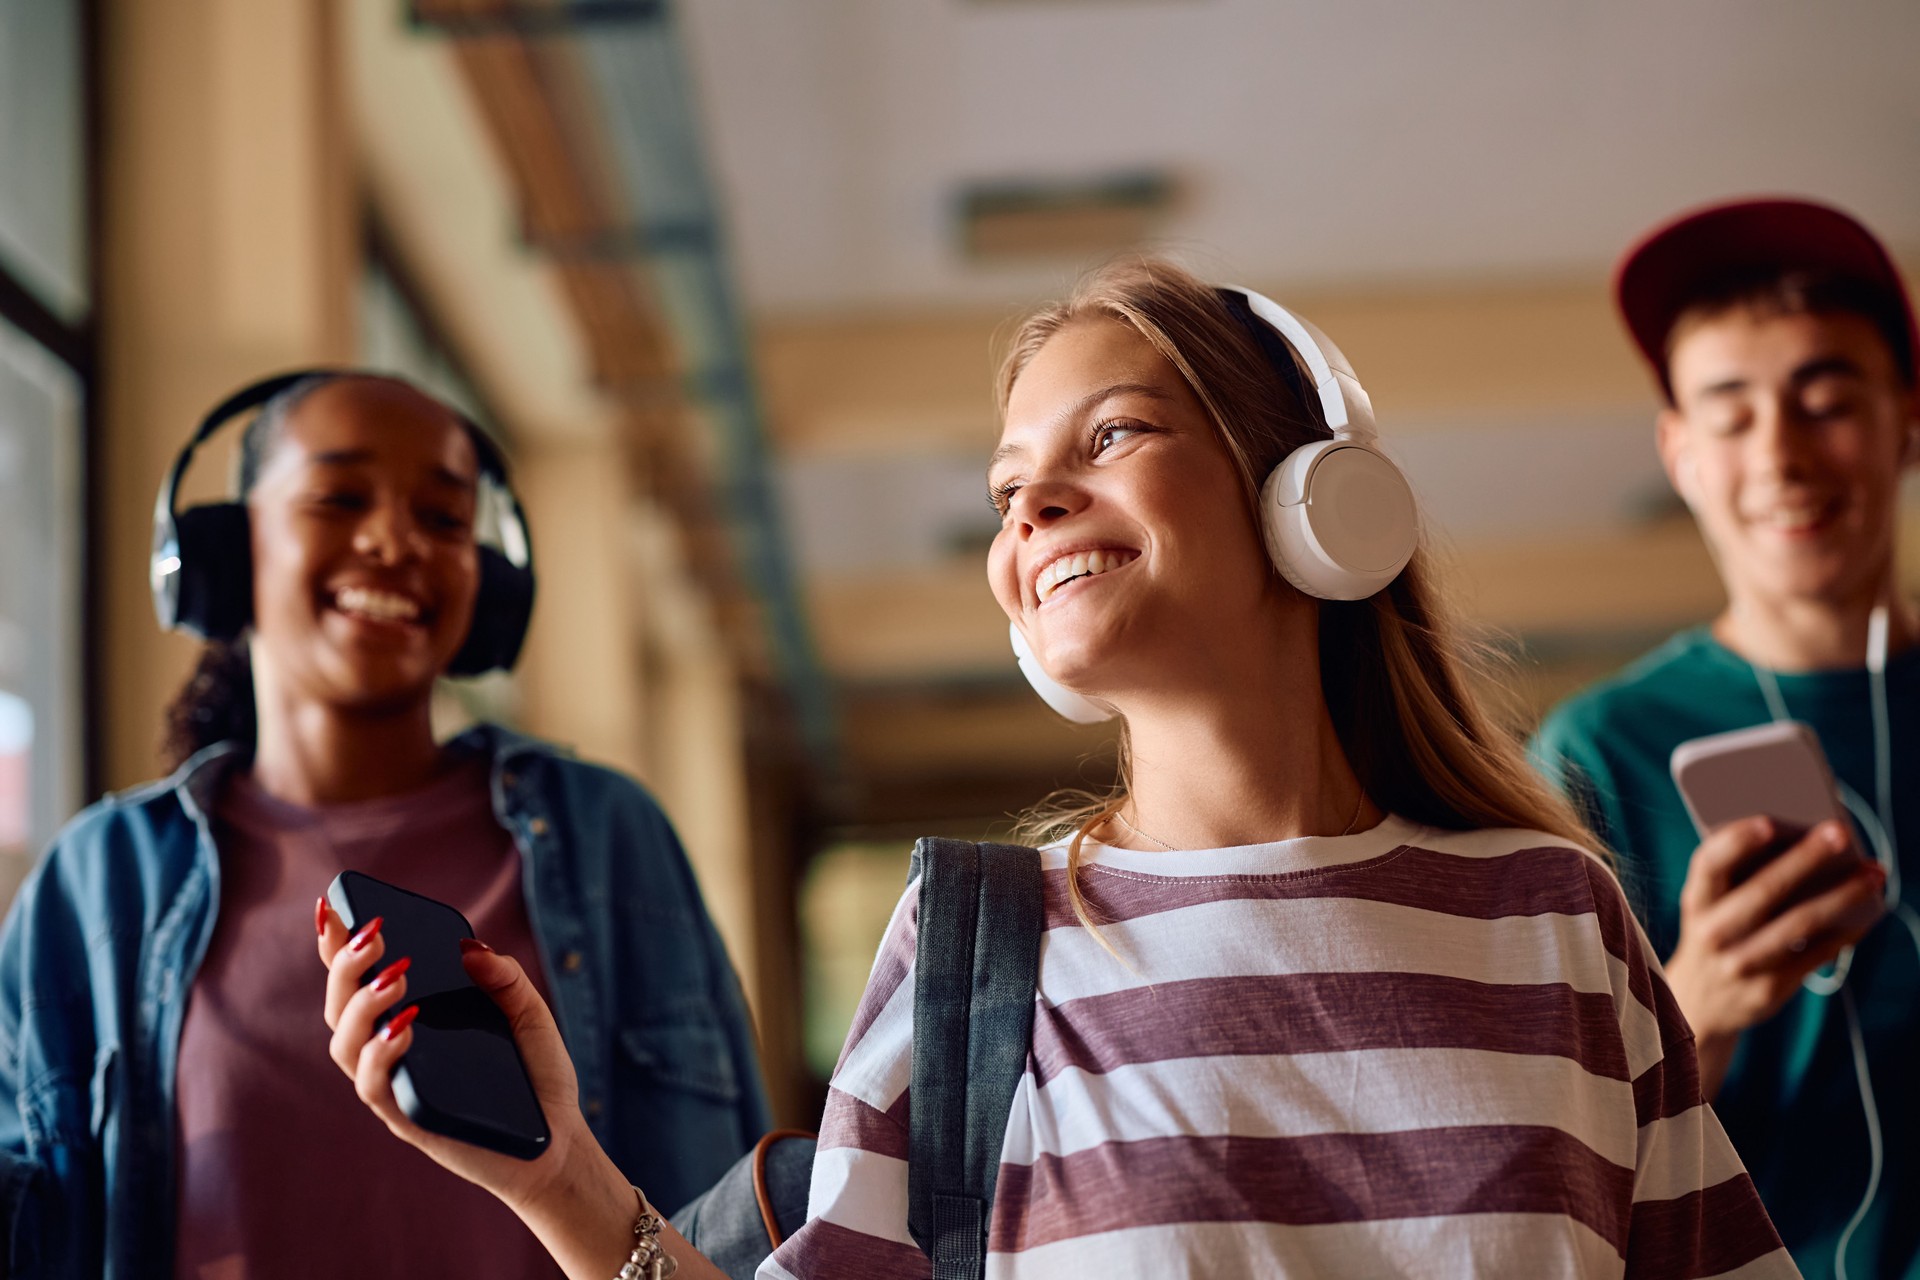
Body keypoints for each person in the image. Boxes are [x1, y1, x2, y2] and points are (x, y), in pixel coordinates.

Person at [323, 261, 1794, 1278]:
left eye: (1111, 435)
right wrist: (557, 1176)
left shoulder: (1554, 921)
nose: (1034, 502)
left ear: (1311, 502)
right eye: (1007, 486)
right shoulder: (979, 949)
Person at [0, 372, 769, 1277]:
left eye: (445, 519)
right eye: (338, 497)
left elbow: (738, 1225)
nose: (396, 540)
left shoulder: (608, 835)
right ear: (221, 550)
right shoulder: (98, 882)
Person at [1531, 198, 1920, 1280]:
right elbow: (1541, 1140)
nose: (1782, 454)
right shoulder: (1601, 749)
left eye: (1828, 397)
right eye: (1731, 411)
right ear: (1680, 452)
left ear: (1907, 413)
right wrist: (1698, 1000)